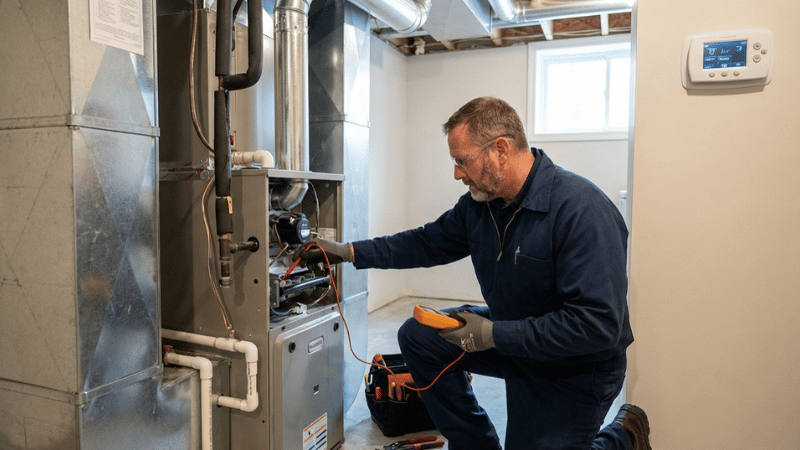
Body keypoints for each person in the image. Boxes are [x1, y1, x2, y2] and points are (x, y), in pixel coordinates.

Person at [297, 97, 651, 450]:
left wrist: (496, 334)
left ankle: (624, 434)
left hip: (572, 367)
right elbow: (424, 243)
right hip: (514, 340)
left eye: (462, 160)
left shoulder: (581, 210)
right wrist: (350, 252)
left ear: (501, 149)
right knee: (420, 336)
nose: (457, 173)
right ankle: (476, 444)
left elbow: (597, 326)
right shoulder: (480, 207)